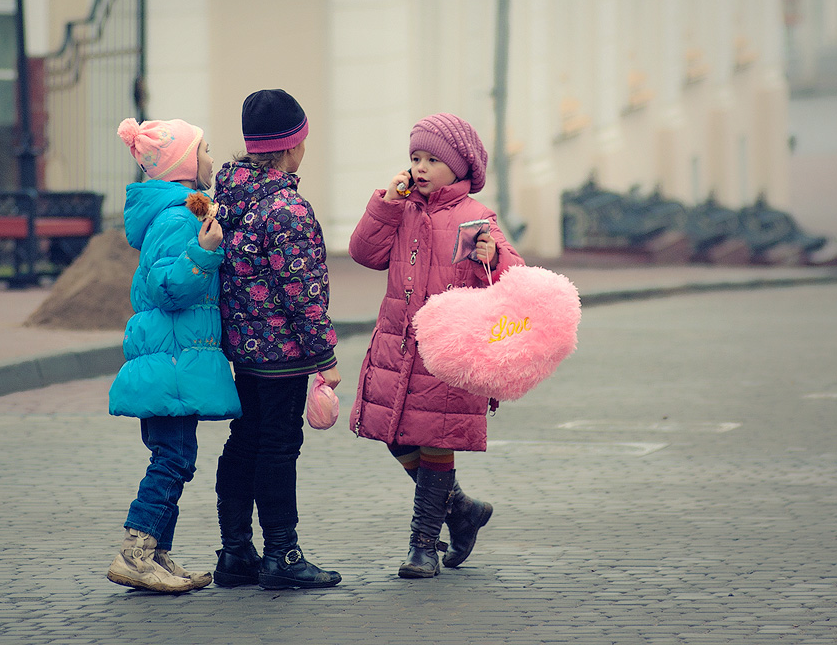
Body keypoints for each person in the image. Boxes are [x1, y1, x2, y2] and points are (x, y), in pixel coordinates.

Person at [348, 112, 525, 579]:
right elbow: (364, 253)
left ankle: (423, 545)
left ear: (459, 166)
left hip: (447, 348)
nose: (420, 167)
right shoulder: (402, 208)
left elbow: (510, 276)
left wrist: (495, 256)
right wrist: (386, 202)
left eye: (432, 159)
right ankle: (462, 509)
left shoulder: (473, 220)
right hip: (398, 342)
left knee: (433, 439)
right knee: (394, 434)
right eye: (415, 158)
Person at [212, 89, 343, 590]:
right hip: (282, 354)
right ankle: (282, 555)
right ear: (291, 147)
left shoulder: (227, 195)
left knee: (243, 441)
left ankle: (235, 552)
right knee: (279, 446)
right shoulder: (287, 207)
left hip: (240, 349)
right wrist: (323, 356)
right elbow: (303, 293)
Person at [105, 117, 241, 593]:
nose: (211, 159)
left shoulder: (179, 212)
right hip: (172, 362)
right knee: (172, 459)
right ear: (184, 164)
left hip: (173, 360)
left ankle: (158, 553)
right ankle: (136, 551)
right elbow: (166, 288)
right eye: (205, 151)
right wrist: (204, 253)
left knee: (175, 457)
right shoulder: (176, 218)